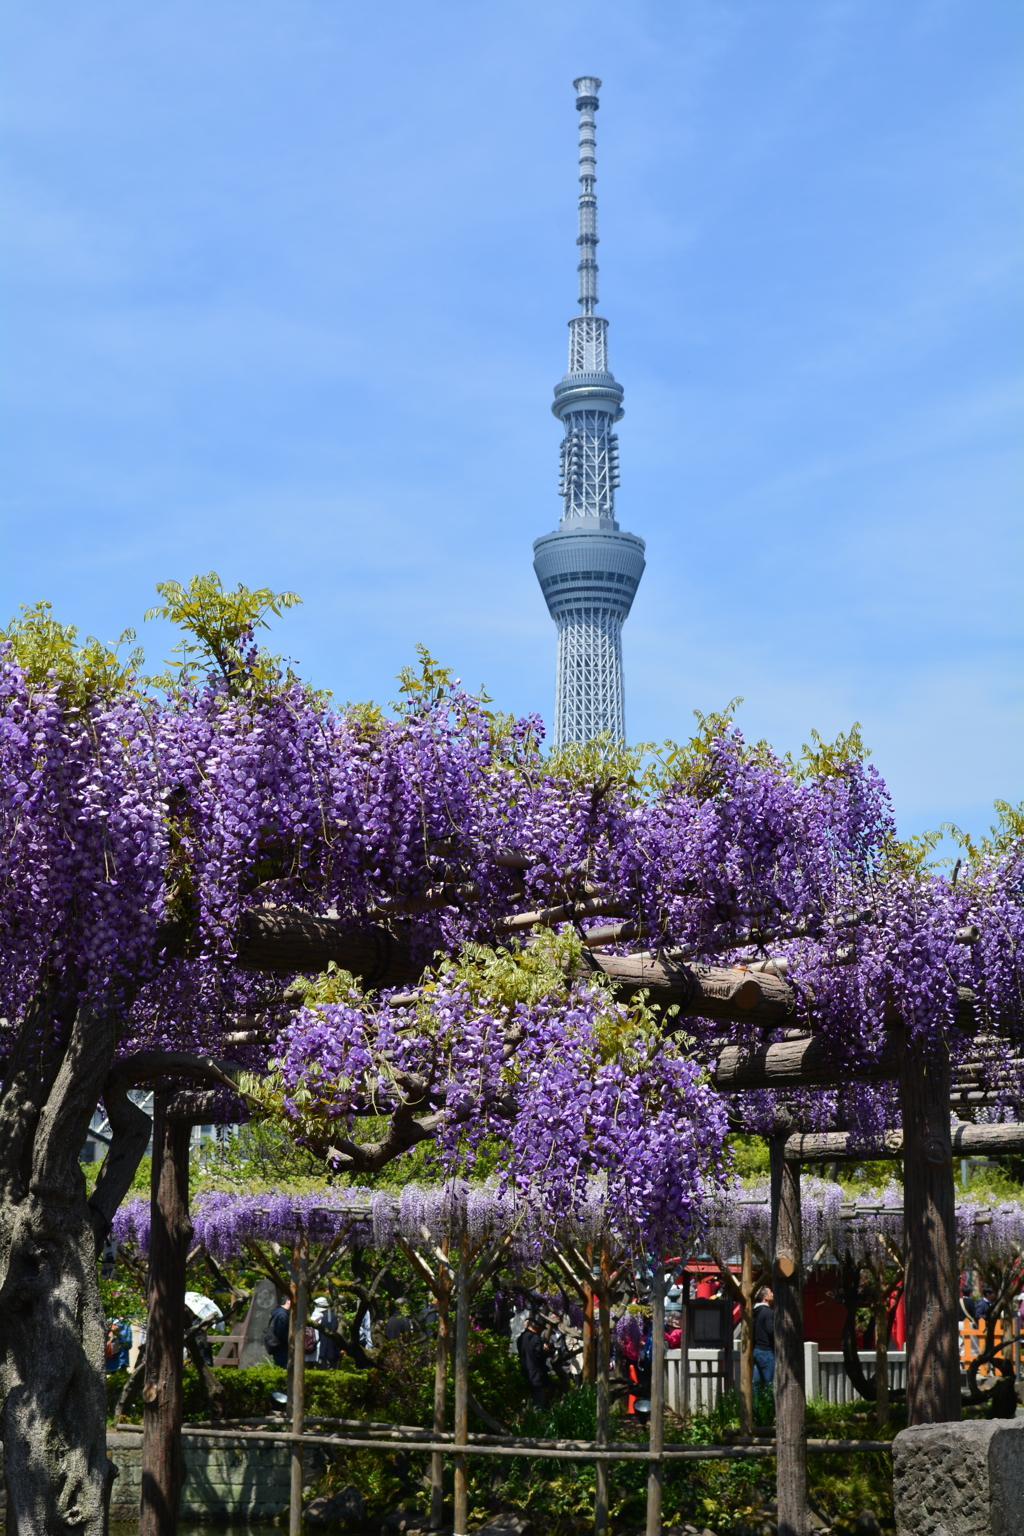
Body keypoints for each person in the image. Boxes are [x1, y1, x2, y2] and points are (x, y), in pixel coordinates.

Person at [517, 1313, 552, 1408]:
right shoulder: (535, 1338)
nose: (541, 1331)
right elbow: (539, 1355)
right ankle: (536, 1422)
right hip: (536, 1375)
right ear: (536, 1326)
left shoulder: (521, 1337)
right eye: (541, 1328)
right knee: (538, 1402)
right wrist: (546, 1350)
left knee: (530, 1401)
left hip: (526, 1372)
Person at [752, 1286, 775, 1389]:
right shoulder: (768, 1312)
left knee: (755, 1383)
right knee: (768, 1383)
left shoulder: (754, 1312)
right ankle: (768, 1404)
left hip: (756, 1350)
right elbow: (771, 1330)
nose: (773, 1294)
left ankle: (756, 1405)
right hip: (766, 1351)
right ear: (765, 1296)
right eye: (771, 1292)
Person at [311, 1296, 341, 1368]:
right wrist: (339, 1349)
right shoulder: (330, 1317)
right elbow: (333, 1335)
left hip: (314, 1351)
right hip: (327, 1351)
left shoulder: (312, 1317)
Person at [264, 1295, 291, 1369]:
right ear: (288, 1301)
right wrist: (289, 1341)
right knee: (284, 1368)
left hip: (278, 1346)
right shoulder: (283, 1315)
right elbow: (281, 1332)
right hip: (282, 1347)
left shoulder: (279, 1313)